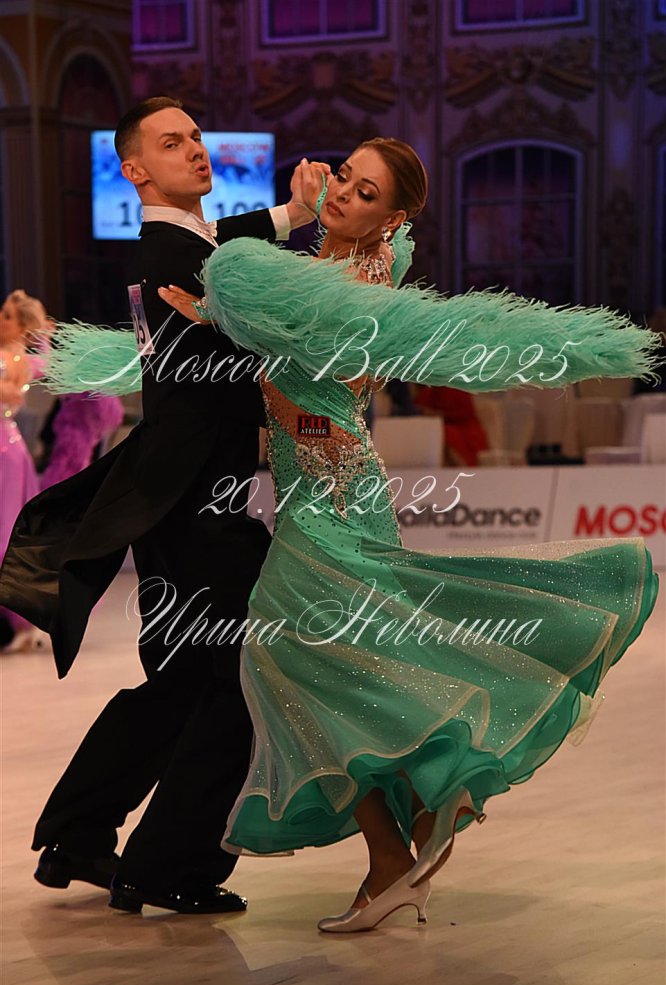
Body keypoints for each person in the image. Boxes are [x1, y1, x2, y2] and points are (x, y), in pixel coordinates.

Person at [38, 138, 661, 932]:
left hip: (333, 494)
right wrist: (231, 312)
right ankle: (409, 829)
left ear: (390, 220)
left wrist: (231, 335)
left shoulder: (363, 281)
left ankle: (411, 825)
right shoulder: (313, 265)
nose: (342, 195)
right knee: (333, 665)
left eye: (366, 193)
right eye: (343, 177)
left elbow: (328, 389)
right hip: (311, 495)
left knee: (289, 662)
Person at [0, 96, 326, 914]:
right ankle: (168, 862)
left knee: (182, 679)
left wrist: (290, 213)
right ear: (135, 169)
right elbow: (221, 282)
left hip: (179, 500)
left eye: (197, 138)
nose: (197, 150)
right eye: (173, 143)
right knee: (242, 674)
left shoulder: (186, 244)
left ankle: (79, 831)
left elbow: (219, 242)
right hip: (197, 506)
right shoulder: (175, 255)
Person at [0, 291, 48, 653]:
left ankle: (21, 621)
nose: (0, 321)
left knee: (7, 534)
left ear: (21, 326)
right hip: (8, 448)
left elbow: (15, 396)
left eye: (7, 316)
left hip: (6, 450)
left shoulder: (17, 358)